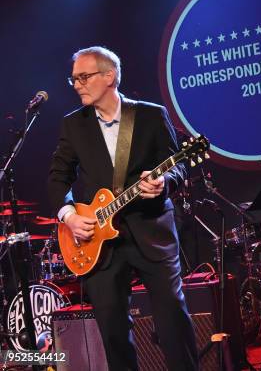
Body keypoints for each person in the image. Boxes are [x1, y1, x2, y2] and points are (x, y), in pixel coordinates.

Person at [48, 46, 197, 370]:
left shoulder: (150, 115)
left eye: (83, 77)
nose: (76, 84)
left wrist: (164, 182)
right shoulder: (74, 125)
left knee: (173, 319)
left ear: (109, 76)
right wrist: (69, 216)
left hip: (151, 228)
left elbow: (178, 165)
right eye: (73, 79)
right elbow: (58, 177)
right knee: (113, 330)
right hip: (98, 241)